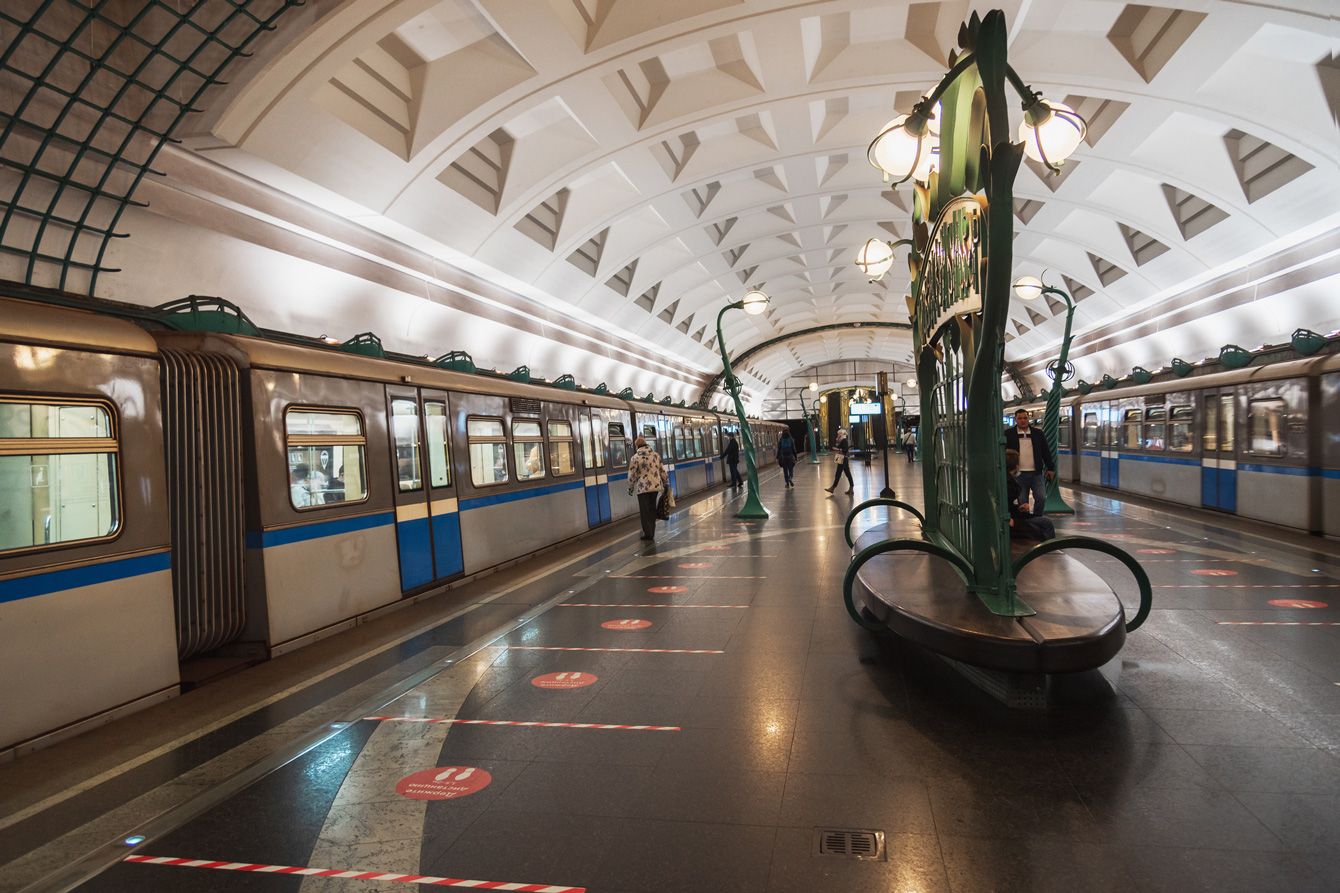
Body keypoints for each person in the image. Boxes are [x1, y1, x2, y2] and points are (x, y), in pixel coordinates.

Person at [1003, 409, 1054, 516]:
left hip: (1036, 473)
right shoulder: (1008, 434)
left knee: (1041, 497)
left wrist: (1050, 468)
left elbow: (1045, 451)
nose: (1023, 420)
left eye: (1025, 418)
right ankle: (1026, 520)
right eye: (1020, 418)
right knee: (1022, 501)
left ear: (1028, 419)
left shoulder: (1038, 433)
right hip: (1018, 474)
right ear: (1015, 419)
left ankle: (1037, 517)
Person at [1006, 449, 1056, 540]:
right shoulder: (1009, 483)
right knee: (1045, 525)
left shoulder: (1009, 480)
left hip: (1015, 516)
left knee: (1046, 522)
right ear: (1016, 466)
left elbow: (1008, 505)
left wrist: (1019, 508)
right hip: (1013, 520)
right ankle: (1048, 547)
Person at [628, 435, 669, 541]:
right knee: (652, 509)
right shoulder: (656, 455)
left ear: (637, 446)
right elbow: (662, 470)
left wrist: (631, 487)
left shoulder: (635, 458)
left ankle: (648, 533)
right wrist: (665, 482)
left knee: (644, 511)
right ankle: (652, 532)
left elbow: (632, 475)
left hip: (642, 489)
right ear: (646, 444)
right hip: (655, 487)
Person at [825, 427, 854, 494]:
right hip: (844, 458)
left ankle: (833, 488)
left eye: (838, 434)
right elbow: (839, 447)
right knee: (848, 473)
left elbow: (845, 450)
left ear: (841, 434)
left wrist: (837, 449)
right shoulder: (842, 440)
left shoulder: (844, 440)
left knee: (838, 473)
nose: (837, 435)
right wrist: (837, 443)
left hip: (842, 458)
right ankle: (851, 488)